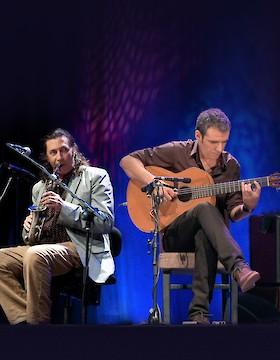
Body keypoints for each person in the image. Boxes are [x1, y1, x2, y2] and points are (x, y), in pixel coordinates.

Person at [120, 108, 261, 324]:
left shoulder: (231, 166)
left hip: (212, 239)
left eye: (224, 142)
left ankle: (199, 314)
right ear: (198, 136)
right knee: (204, 207)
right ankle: (239, 268)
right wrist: (153, 183)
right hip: (176, 235)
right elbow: (128, 161)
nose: (219, 148)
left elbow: (233, 213)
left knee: (205, 232)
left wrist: (248, 206)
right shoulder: (177, 152)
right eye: (213, 142)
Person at [0, 128, 114, 324]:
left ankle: (38, 327)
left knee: (35, 255)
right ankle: (25, 320)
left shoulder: (96, 176)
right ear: (47, 157)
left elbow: (105, 222)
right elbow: (32, 235)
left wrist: (65, 208)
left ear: (73, 151)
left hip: (77, 246)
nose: (59, 157)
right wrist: (28, 226)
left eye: (63, 150)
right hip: (42, 246)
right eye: (53, 152)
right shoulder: (40, 187)